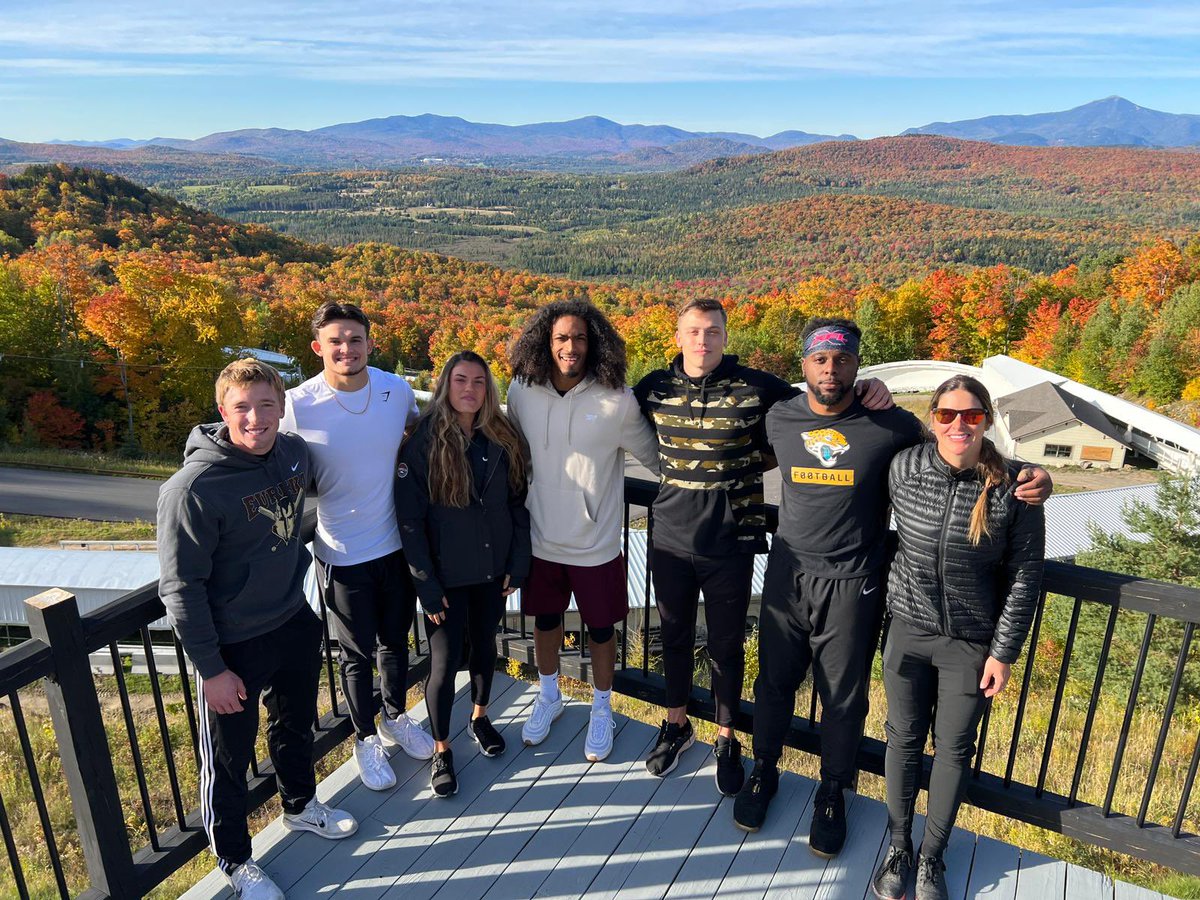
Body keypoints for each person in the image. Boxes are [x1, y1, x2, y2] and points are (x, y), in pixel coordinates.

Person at [732, 318, 1052, 856]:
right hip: (787, 575)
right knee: (773, 683)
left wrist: (1033, 474)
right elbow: (740, 453)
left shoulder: (890, 425)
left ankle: (833, 790)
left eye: (842, 360)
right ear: (804, 364)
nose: (830, 369)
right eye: (819, 359)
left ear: (859, 366)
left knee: (844, 698)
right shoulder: (780, 417)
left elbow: (959, 448)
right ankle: (764, 770)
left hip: (855, 581)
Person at [632, 298, 893, 795]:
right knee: (674, 638)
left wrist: (868, 387)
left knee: (727, 647)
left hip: (732, 540)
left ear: (725, 337)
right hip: (668, 537)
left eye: (712, 331)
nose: (702, 341)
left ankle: (727, 738)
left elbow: (823, 399)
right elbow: (615, 418)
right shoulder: (654, 387)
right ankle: (677, 724)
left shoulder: (759, 387)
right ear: (678, 335)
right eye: (693, 331)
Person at [158, 359, 356, 900]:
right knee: (227, 758)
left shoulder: (292, 453)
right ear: (222, 411)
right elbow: (180, 589)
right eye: (242, 407)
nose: (256, 418)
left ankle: (299, 806)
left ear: (281, 408)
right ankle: (235, 859)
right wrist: (212, 669)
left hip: (291, 617)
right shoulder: (193, 490)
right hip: (232, 643)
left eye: (267, 405)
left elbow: (335, 480)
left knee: (296, 725)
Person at [871, 376, 1044, 900]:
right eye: (947, 415)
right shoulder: (906, 467)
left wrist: (1003, 652)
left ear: (987, 420)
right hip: (906, 628)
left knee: (952, 750)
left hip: (970, 644)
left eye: (971, 416)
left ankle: (932, 857)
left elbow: (1024, 575)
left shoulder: (1014, 487)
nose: (958, 426)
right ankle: (899, 847)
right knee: (901, 738)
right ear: (932, 419)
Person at [280, 302, 435, 793]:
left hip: (396, 546)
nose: (346, 349)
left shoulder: (394, 390)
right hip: (341, 552)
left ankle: (394, 715)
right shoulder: (296, 404)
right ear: (318, 347)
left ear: (370, 342)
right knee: (354, 655)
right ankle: (364, 737)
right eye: (335, 341)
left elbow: (416, 434)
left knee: (395, 643)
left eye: (354, 339)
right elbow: (272, 461)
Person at [507, 299, 660, 762]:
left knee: (600, 630)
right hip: (540, 538)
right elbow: (509, 449)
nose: (569, 347)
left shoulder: (617, 400)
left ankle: (600, 707)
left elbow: (657, 459)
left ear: (594, 343)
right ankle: (549, 695)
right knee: (545, 622)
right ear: (544, 342)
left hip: (594, 544)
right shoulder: (521, 391)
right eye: (560, 338)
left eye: (579, 338)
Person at [395, 351, 531, 798]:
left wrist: (518, 561)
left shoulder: (501, 436)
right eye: (460, 380)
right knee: (444, 660)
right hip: (446, 576)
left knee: (485, 646)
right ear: (445, 386)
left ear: (488, 389)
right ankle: (441, 748)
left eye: (478, 381)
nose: (469, 389)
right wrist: (426, 586)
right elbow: (410, 522)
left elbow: (516, 504)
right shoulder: (423, 442)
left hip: (492, 569)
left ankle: (479, 715)